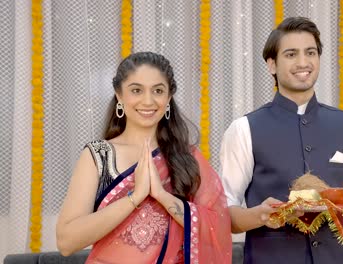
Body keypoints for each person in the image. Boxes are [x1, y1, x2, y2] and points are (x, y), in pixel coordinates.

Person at [220, 17, 343, 263]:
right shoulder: (243, 129)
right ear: (272, 64)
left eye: (311, 53)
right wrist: (261, 215)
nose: (303, 62)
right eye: (291, 54)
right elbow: (224, 216)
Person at [56, 52, 232, 263]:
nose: (148, 101)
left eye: (158, 91)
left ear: (168, 98)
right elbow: (67, 242)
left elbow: (218, 226)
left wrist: (161, 195)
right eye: (136, 90)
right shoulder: (99, 155)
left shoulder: (187, 158)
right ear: (119, 95)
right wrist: (135, 196)